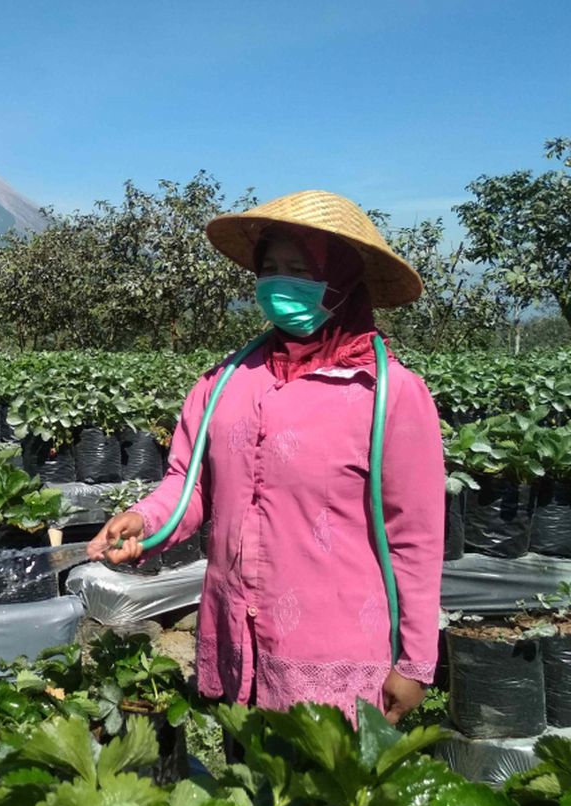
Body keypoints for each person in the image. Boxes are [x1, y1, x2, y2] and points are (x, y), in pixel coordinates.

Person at [87, 190, 444, 725]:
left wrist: (415, 662)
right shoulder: (222, 384)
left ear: (342, 281)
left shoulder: (389, 394)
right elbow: (190, 485)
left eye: (299, 270)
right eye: (270, 268)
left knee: (327, 779)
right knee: (248, 770)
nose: (279, 283)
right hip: (239, 644)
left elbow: (415, 538)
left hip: (336, 657)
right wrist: (144, 522)